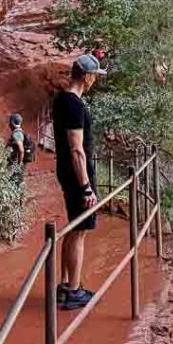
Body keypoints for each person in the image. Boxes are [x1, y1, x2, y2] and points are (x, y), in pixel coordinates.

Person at [52, 53, 107, 310]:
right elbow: (76, 149)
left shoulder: (62, 99)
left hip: (67, 171)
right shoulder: (74, 105)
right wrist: (86, 186)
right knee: (80, 231)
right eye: (95, 75)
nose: (96, 80)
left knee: (74, 227)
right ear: (86, 77)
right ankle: (74, 291)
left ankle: (65, 285)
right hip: (77, 175)